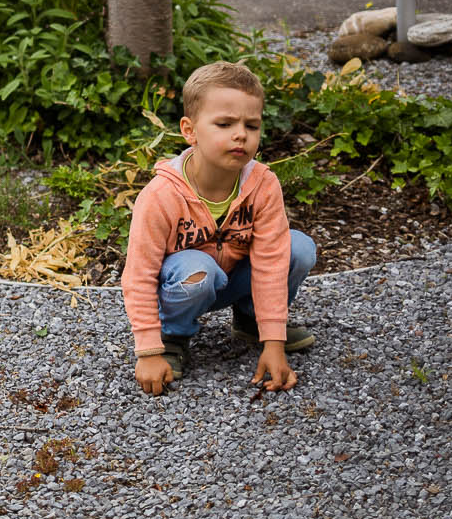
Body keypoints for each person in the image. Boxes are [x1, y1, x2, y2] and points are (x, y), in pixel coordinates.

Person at [120, 61, 317, 396]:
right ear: (189, 129)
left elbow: (270, 263)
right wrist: (148, 350)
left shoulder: (263, 185)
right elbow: (139, 275)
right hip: (186, 285)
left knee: (297, 248)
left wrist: (274, 341)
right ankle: (174, 336)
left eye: (251, 125)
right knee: (199, 269)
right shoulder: (161, 195)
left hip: (236, 279)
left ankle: (251, 321)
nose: (240, 134)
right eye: (224, 124)